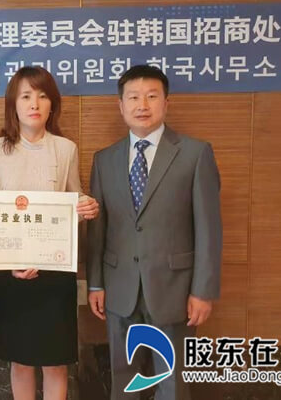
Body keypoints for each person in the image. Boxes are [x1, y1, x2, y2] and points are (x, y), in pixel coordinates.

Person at [86, 65, 222, 400]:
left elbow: (209, 228)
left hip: (175, 289)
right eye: (133, 97)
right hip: (119, 288)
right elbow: (97, 229)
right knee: (124, 379)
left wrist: (203, 290)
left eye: (151, 96)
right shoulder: (104, 160)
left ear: (166, 103)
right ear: (121, 105)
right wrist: (95, 283)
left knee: (173, 382)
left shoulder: (195, 154)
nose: (142, 105)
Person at [0, 66, 99, 400]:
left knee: (55, 363)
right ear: (13, 104)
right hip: (11, 270)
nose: (34, 103)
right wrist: (10, 264)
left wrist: (85, 208)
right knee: (19, 361)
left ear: (53, 104)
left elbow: (73, 201)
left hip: (54, 270)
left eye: (42, 96)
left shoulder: (65, 149)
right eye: (25, 96)